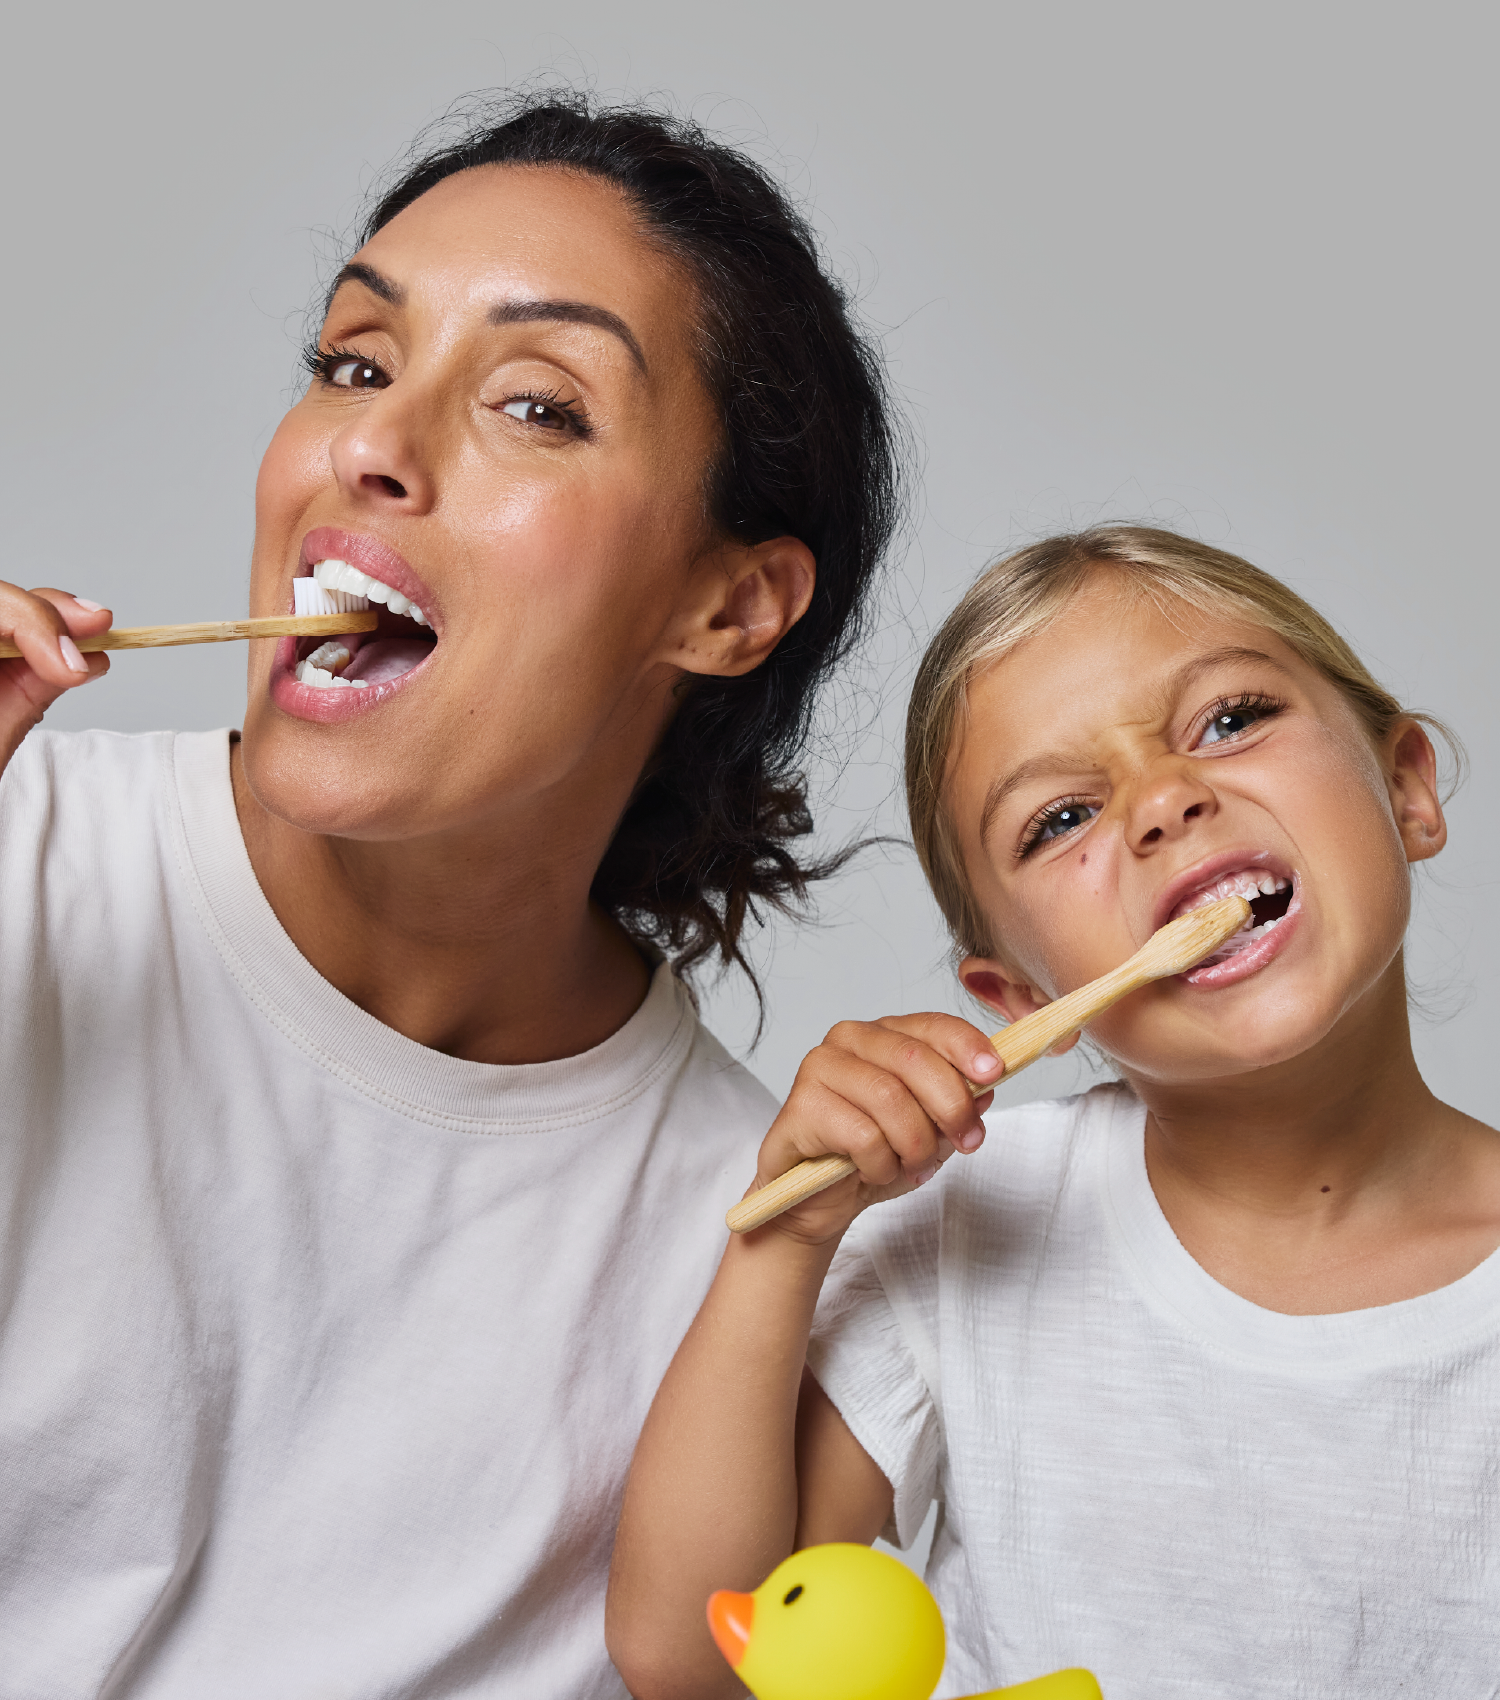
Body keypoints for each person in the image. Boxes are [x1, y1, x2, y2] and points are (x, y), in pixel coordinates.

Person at [0, 90, 900, 1696]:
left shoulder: (745, 1248)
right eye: (353, 363)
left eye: (537, 408)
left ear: (729, 603)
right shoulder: (24, 862)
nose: (366, 445)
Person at [609, 526, 1500, 1698]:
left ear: (1407, 788)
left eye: (1230, 719)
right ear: (1025, 996)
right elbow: (692, 1659)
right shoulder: (973, 1221)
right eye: (1060, 818)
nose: (1164, 802)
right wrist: (788, 1238)